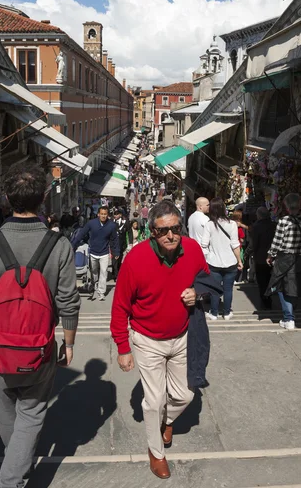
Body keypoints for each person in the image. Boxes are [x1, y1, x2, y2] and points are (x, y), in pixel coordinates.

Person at [0, 163, 80, 488]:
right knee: (31, 415)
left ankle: (14, 471)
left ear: (6, 198)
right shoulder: (59, 245)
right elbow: (68, 301)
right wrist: (70, 342)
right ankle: (14, 476)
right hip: (39, 351)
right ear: (44, 197)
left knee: (8, 416)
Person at [110, 200, 210, 479]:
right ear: (151, 231)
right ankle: (157, 452)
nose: (170, 235)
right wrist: (123, 347)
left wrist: (197, 293)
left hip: (183, 336)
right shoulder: (136, 259)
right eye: (162, 230)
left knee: (185, 394)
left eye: (176, 228)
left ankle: (167, 421)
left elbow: (207, 280)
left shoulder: (191, 249)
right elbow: (120, 306)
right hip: (146, 338)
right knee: (153, 402)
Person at [266, 193, 301, 330]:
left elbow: (277, 243)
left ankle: (289, 318)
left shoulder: (283, 222)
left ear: (287, 207)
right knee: (294, 286)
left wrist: (270, 255)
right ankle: (290, 312)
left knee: (281, 286)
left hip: (284, 258)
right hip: (300, 258)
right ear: (299, 205)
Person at [201, 197, 243, 320]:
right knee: (228, 289)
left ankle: (213, 313)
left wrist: (206, 257)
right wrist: (239, 260)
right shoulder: (232, 224)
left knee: (214, 289)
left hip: (213, 263)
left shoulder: (209, 225)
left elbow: (204, 244)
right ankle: (226, 312)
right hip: (230, 262)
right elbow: (235, 245)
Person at [72, 206, 120, 301]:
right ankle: (95, 283)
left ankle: (101, 292)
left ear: (108, 215)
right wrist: (73, 245)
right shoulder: (91, 223)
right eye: (101, 214)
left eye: (105, 214)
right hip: (93, 252)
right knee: (94, 271)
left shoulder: (111, 226)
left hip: (104, 253)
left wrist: (116, 252)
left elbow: (114, 240)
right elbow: (81, 233)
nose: (103, 216)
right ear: (98, 214)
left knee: (103, 272)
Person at [251, 207, 276, 309]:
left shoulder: (256, 226)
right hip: (274, 257)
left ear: (259, 215)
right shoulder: (274, 225)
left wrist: (252, 254)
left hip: (261, 257)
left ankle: (265, 298)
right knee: (271, 278)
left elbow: (255, 243)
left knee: (262, 280)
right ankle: (269, 295)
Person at [113, 208, 129, 279]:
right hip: (113, 244)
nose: (115, 216)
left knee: (119, 258)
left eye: (117, 214)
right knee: (114, 259)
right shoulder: (111, 221)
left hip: (122, 243)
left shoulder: (125, 222)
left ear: (120, 215)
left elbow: (129, 232)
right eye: (114, 214)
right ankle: (115, 274)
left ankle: (118, 270)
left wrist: (130, 242)